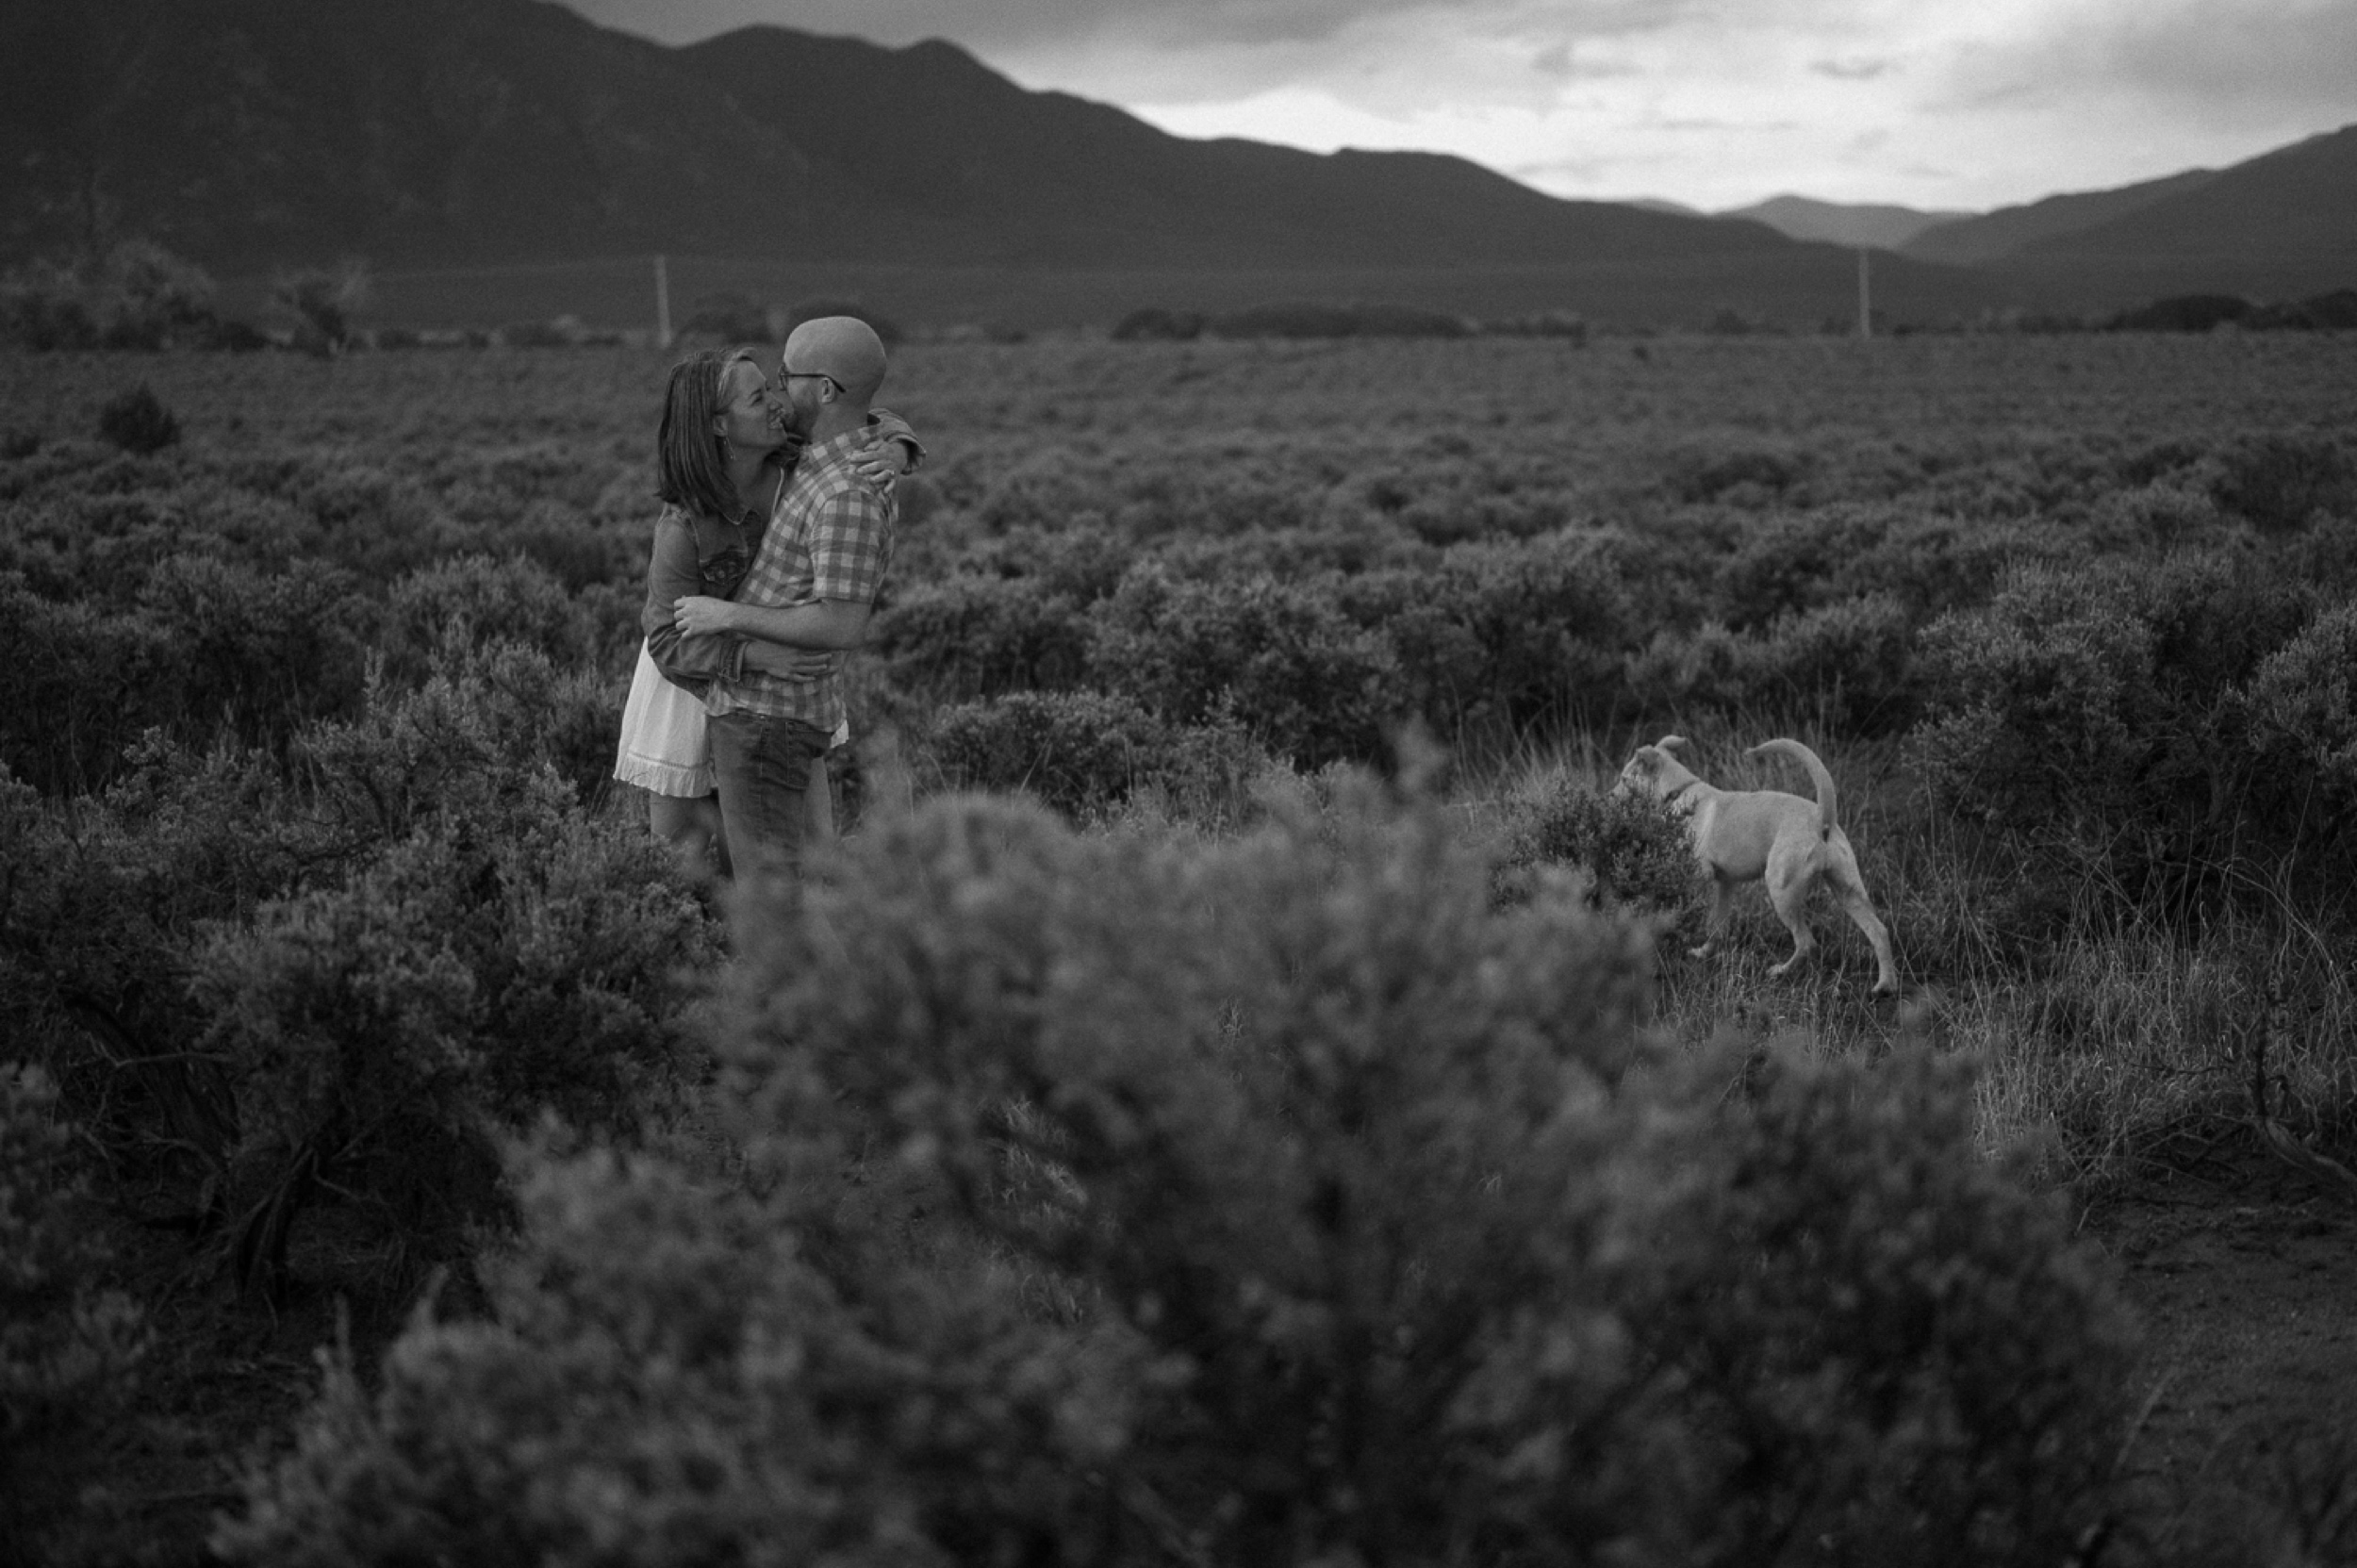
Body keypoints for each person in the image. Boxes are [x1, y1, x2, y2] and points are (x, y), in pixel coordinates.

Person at [612, 344, 917, 876]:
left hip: (779, 678)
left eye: (773, 387)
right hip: (692, 675)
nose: (779, 403)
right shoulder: (684, 526)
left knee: (796, 844)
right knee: (679, 852)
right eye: (758, 398)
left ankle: (766, 948)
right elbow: (667, 639)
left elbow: (862, 409)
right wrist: (756, 657)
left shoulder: (793, 455)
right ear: (720, 427)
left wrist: (897, 449)